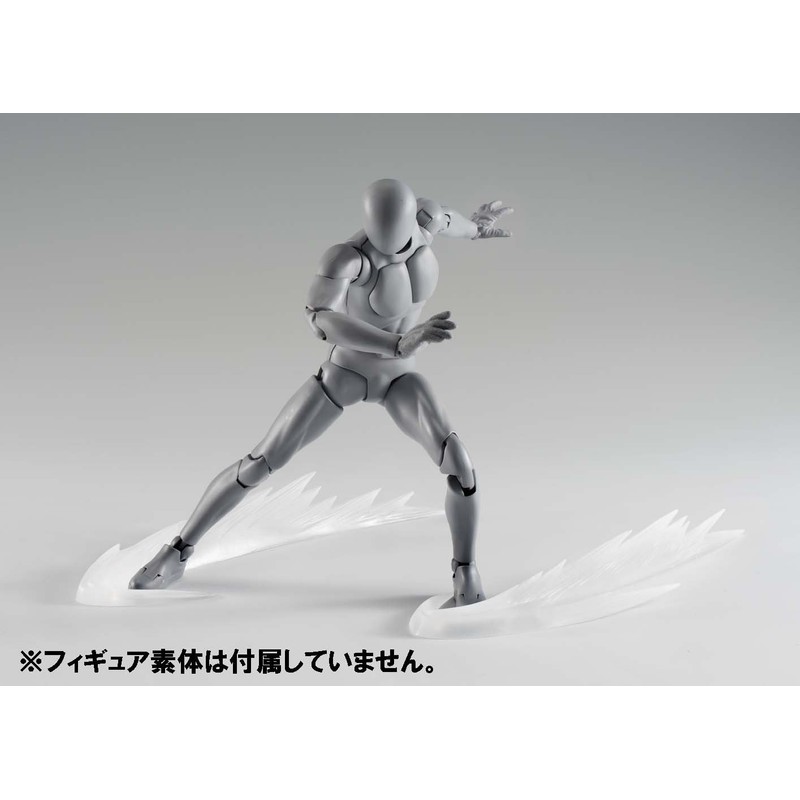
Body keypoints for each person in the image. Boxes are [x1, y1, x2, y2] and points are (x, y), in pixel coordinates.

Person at [129, 178, 513, 605]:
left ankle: (465, 570)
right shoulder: (347, 258)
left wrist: (477, 228)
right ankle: (177, 552)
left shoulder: (428, 222)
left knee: (460, 466)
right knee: (260, 462)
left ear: (411, 218)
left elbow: (451, 221)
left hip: (400, 378)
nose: (385, 240)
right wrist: (395, 343)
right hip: (346, 373)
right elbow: (320, 319)